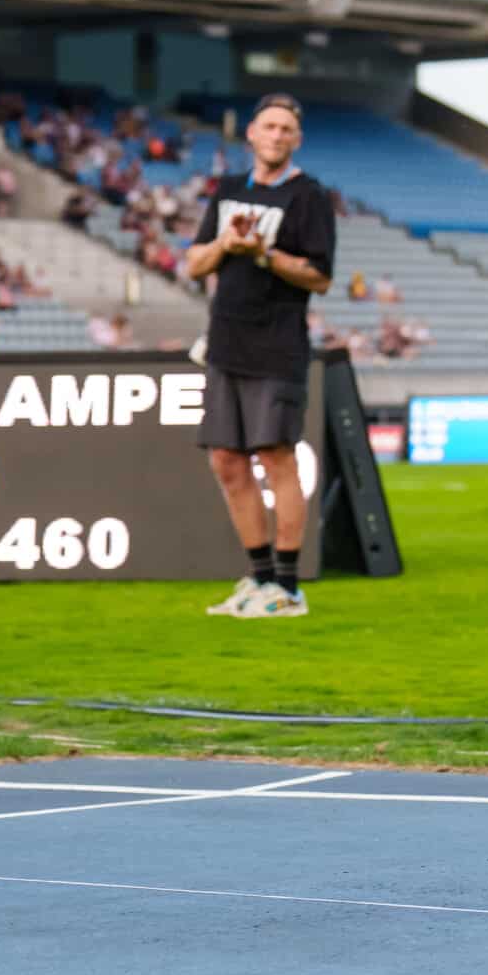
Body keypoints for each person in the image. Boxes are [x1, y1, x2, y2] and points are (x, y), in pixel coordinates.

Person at [185, 94, 334, 621]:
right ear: (250, 133)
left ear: (296, 140)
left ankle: (290, 588)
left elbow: (320, 275)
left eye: (287, 130)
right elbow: (195, 263)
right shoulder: (228, 192)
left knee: (276, 457)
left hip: (278, 343)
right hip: (226, 341)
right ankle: (260, 577)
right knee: (225, 459)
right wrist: (227, 245)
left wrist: (266, 256)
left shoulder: (309, 196)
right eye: (269, 126)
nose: (276, 135)